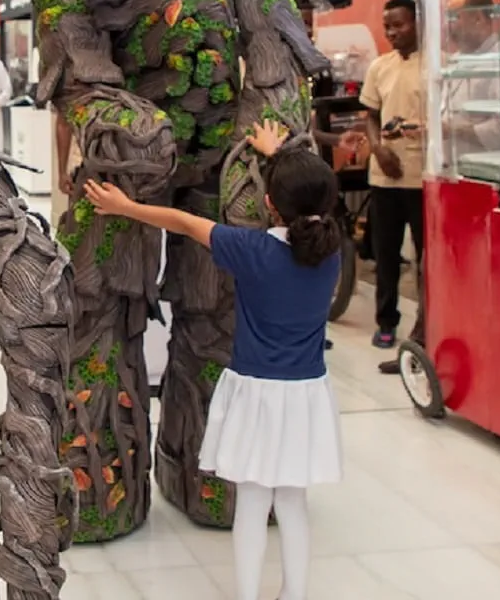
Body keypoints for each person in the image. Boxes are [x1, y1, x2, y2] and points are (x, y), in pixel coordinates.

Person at [83, 119, 342, 600]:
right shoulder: (330, 253)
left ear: (268, 204)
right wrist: (274, 155)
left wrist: (125, 206)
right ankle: (295, 594)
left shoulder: (251, 250)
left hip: (257, 393)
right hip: (307, 394)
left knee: (252, 501)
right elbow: (302, 203)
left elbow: (182, 221)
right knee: (292, 503)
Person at [361, 0, 426, 360]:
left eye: (398, 25)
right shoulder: (379, 67)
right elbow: (371, 115)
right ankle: (386, 322)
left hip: (420, 178)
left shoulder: (434, 65)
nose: (392, 32)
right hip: (384, 178)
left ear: (417, 23)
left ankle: (426, 324)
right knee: (385, 254)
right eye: (387, 26)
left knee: (425, 256)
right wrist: (377, 148)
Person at [439, 0, 500, 156]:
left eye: (453, 17)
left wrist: (453, 130)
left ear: (478, 18)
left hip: (487, 168)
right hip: (455, 168)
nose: (446, 25)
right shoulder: (455, 60)